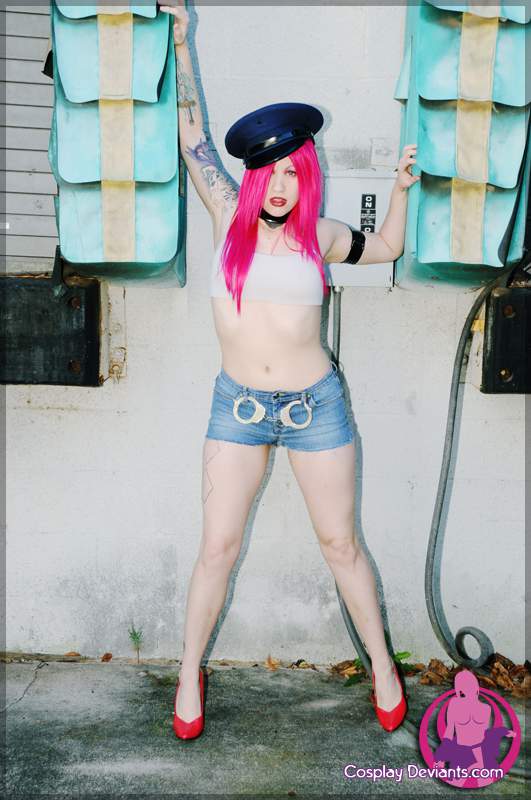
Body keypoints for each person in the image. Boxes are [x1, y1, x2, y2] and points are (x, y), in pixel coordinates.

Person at [160, 1, 420, 740]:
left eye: (292, 172)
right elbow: (191, 134)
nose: (279, 185)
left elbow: (388, 250)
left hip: (315, 408)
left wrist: (399, 195)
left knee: (341, 545)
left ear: (307, 177)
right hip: (238, 408)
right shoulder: (225, 215)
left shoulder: (323, 237)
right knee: (217, 548)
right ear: (251, 177)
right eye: (269, 172)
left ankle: (382, 666)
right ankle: (189, 672)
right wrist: (181, 40)